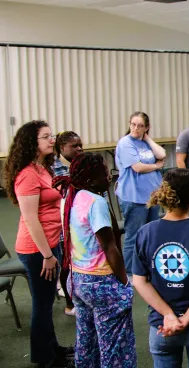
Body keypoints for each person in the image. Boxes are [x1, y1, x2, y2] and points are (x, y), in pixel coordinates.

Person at [132, 168, 189, 368]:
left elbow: (139, 281)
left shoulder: (145, 233)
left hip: (162, 326)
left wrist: (168, 315)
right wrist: (187, 318)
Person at [53, 153, 136, 368]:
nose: (109, 177)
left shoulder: (69, 197)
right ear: (91, 179)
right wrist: (125, 282)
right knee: (114, 346)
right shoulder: (96, 202)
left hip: (78, 280)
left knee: (86, 339)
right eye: (106, 173)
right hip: (101, 283)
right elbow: (109, 248)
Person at [3, 120, 73, 368]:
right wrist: (47, 255)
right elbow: (31, 219)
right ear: (32, 142)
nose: (51, 139)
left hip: (49, 243)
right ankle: (45, 358)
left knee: (44, 302)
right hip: (36, 250)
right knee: (42, 305)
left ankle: (53, 348)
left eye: (51, 135)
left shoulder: (42, 167)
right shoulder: (26, 175)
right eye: (46, 137)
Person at [115, 111, 166, 274]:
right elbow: (138, 167)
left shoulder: (145, 142)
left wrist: (147, 138)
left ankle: (147, 268)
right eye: (133, 124)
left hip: (152, 196)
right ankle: (129, 272)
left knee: (151, 234)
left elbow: (162, 154)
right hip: (134, 197)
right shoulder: (125, 143)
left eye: (140, 126)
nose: (136, 128)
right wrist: (157, 166)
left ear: (146, 127)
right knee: (133, 236)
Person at [52, 131, 84, 317]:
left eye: (80, 145)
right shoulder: (54, 167)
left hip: (79, 220)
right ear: (62, 148)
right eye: (74, 146)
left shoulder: (81, 163)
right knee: (66, 264)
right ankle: (70, 305)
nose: (79, 148)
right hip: (64, 223)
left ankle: (79, 297)